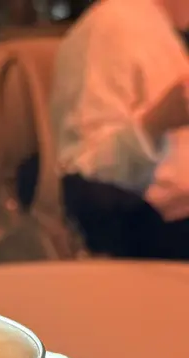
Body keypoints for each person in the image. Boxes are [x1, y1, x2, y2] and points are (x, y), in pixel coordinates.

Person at [51, 0, 189, 259]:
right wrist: (155, 123)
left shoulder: (161, 28)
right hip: (146, 235)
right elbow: (86, 172)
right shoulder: (112, 26)